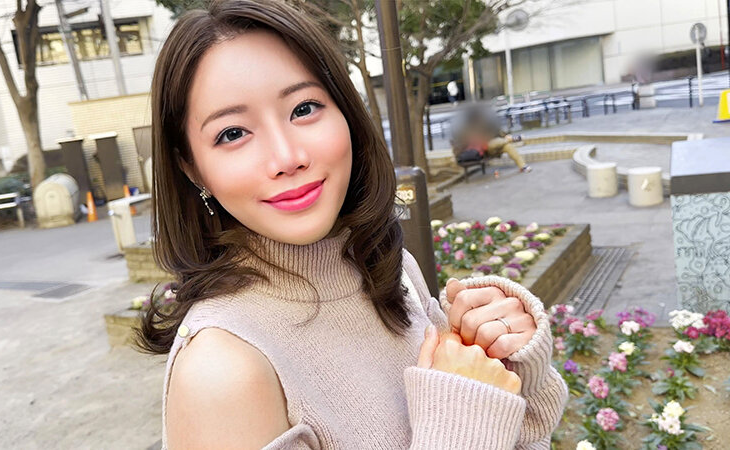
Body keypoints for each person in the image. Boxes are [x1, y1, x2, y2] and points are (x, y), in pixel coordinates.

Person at [137, 1, 566, 448]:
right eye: (232, 133)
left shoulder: (389, 267)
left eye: (304, 108)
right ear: (191, 168)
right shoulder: (222, 370)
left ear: (346, 112)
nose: (287, 157)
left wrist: (510, 363)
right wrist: (464, 418)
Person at [451, 104, 532, 173]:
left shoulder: (485, 124)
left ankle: (523, 166)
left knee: (507, 146)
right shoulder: (466, 129)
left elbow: (497, 132)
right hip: (481, 151)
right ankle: (510, 139)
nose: (481, 117)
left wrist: (502, 135)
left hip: (492, 147)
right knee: (494, 143)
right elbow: (467, 141)